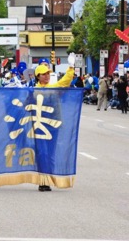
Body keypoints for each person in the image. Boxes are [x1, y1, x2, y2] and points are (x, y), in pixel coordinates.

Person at [32, 52, 76, 191]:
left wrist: (70, 67)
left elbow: (65, 82)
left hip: (53, 124)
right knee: (42, 153)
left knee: (50, 153)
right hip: (39, 125)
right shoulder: (33, 90)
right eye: (44, 74)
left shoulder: (53, 87)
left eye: (48, 73)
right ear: (38, 76)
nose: (46, 75)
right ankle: (42, 181)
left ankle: (48, 180)